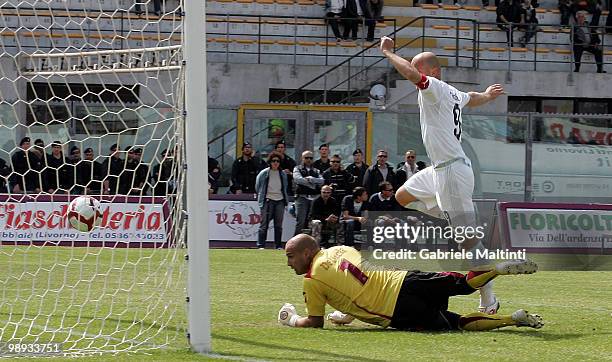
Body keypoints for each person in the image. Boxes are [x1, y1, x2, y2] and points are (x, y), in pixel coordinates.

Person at [380, 40, 506, 314]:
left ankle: (489, 299)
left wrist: (388, 52)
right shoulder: (452, 92)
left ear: (433, 72)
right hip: (440, 168)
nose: (412, 72)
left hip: (451, 170)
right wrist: (487, 94)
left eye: (418, 68)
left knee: (467, 241)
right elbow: (473, 97)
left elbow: (413, 76)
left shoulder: (435, 88)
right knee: (402, 196)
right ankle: (451, 217)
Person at [277, 234, 543, 331]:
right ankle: (496, 268)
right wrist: (347, 312)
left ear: (307, 254)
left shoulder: (312, 280)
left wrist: (290, 318)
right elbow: (352, 279)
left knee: (456, 322)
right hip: (403, 278)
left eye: (291, 257)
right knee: (462, 283)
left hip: (396, 310)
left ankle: (512, 319)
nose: (289, 263)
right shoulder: (340, 249)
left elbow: (314, 322)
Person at [255, 152, 290, 250]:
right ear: (270, 162)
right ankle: (261, 245)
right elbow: (258, 186)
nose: (275, 163)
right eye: (273, 161)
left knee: (278, 224)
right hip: (267, 200)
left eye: (277, 161)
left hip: (280, 200)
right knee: (264, 223)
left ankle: (278, 245)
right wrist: (262, 196)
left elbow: (285, 186)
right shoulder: (264, 173)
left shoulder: (283, 174)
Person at [293, 150, 324, 236]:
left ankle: (312, 241)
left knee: (314, 221)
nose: (309, 160)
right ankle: (296, 241)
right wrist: (313, 184)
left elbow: (322, 181)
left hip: (315, 198)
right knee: (301, 221)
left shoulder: (316, 170)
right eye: (306, 158)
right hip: (302, 197)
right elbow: (297, 179)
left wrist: (310, 179)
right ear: (302, 158)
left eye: (311, 158)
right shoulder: (297, 168)